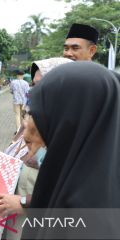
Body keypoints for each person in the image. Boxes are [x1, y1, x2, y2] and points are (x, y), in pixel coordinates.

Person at [22, 62, 120, 239]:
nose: (31, 119)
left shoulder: (89, 218)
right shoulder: (71, 168)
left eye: (45, 109)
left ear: (72, 117)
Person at [0, 57, 72, 240]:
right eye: (34, 85)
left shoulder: (74, 134)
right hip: (12, 222)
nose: (35, 91)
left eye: (42, 84)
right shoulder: (31, 121)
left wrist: (24, 202)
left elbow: (70, 194)